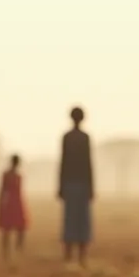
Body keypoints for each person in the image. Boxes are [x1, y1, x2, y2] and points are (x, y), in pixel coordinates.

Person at [58, 106, 94, 267]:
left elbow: (63, 163)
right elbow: (89, 164)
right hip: (82, 183)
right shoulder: (85, 137)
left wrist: (60, 186)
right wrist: (92, 186)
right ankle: (81, 257)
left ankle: (68, 255)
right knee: (82, 220)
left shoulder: (67, 137)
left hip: (70, 183)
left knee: (70, 219)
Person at [0, 154, 28, 262]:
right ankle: (8, 252)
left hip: (15, 202)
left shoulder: (18, 175)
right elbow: (3, 189)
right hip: (12, 202)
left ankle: (17, 251)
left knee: (19, 227)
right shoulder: (9, 175)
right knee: (9, 228)